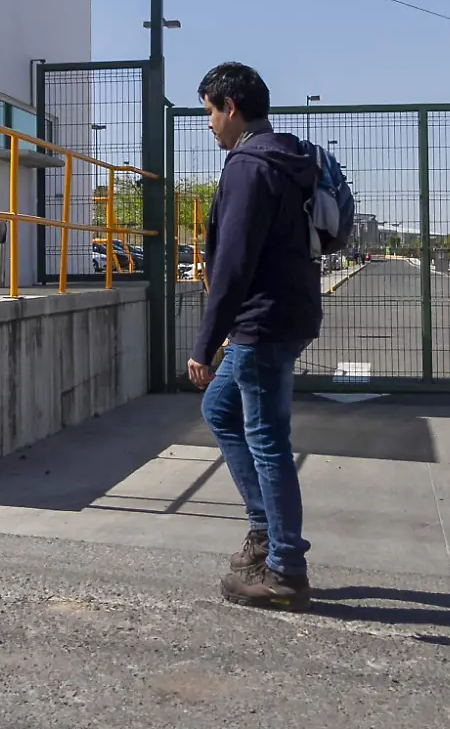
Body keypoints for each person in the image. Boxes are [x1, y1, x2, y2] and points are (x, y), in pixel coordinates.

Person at [186, 62, 322, 610]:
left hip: (259, 323)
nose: (210, 127)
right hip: (289, 313)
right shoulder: (289, 159)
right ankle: (266, 532)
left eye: (210, 115)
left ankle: (285, 568)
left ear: (231, 107)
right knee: (221, 411)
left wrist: (204, 344)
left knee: (267, 441)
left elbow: (235, 266)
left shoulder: (247, 167)